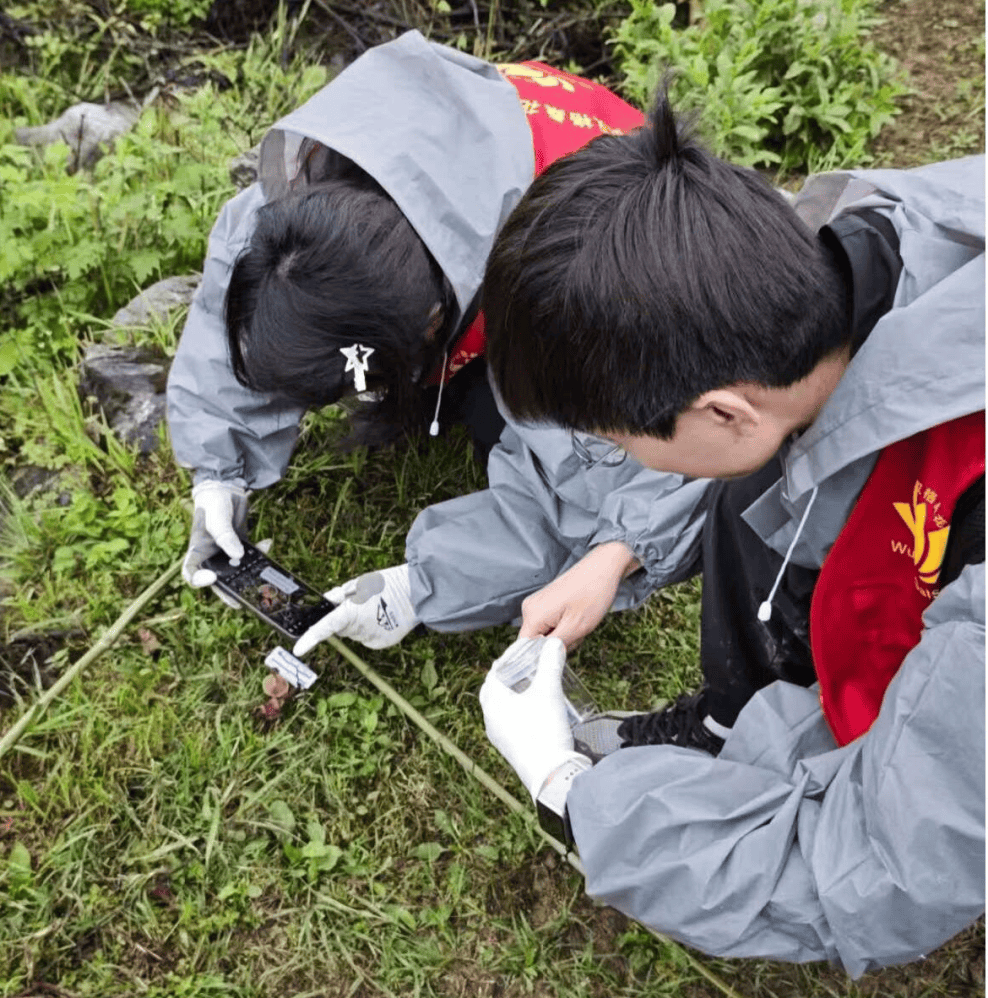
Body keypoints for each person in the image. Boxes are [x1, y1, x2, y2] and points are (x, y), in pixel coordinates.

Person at [474, 86, 985, 976]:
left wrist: (568, 791)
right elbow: (768, 438)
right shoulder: (866, 250)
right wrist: (615, 549)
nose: (611, 455)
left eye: (611, 438)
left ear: (721, 409)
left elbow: (870, 869)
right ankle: (730, 728)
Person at [166, 30, 686, 610]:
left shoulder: (576, 287)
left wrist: (417, 590)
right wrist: (219, 471)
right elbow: (240, 286)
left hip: (606, 296)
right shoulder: (321, 189)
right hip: (490, 250)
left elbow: (635, 496)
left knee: (523, 434)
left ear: (428, 326)